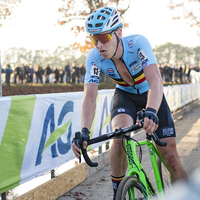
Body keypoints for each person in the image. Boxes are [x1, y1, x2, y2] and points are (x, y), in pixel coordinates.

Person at [72, 7, 188, 200]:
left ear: (119, 32)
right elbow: (90, 97)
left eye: (104, 37)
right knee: (118, 138)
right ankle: (118, 193)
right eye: (94, 39)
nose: (99, 45)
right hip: (125, 96)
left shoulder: (138, 44)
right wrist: (84, 130)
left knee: (172, 159)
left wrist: (151, 110)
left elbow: (155, 82)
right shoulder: (94, 58)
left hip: (150, 94)